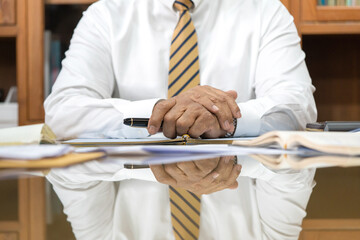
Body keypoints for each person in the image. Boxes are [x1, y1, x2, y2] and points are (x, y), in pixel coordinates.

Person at [44, 0, 317, 238]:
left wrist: (225, 119)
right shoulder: (104, 15)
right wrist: (160, 112)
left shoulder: (266, 11)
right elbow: (63, 112)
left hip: (242, 174)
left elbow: (296, 109)